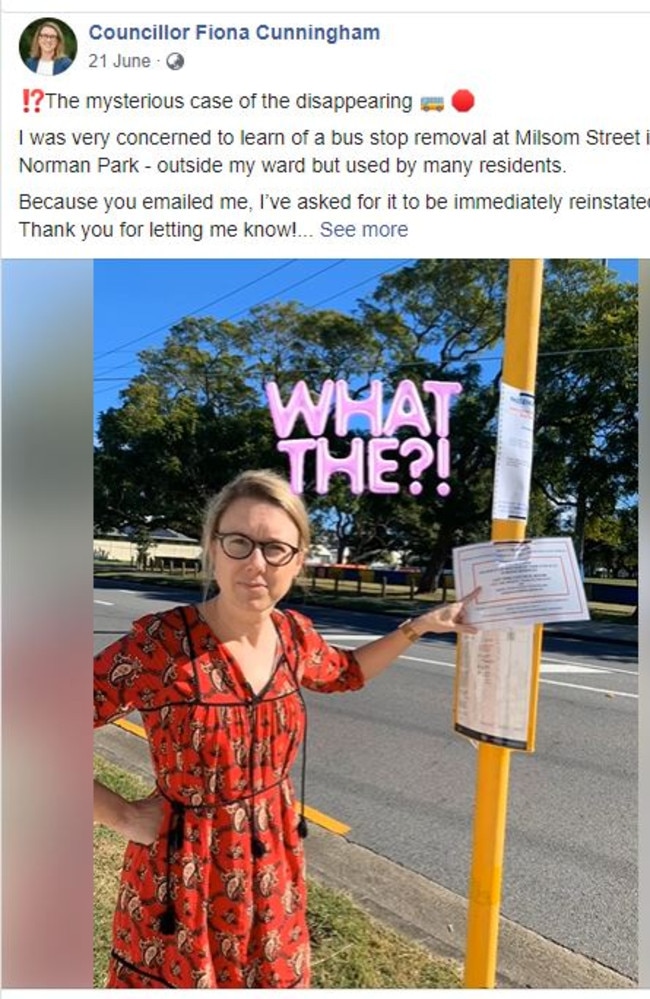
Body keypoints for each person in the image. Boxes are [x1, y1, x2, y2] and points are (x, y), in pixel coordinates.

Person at [93, 469, 479, 989]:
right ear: (213, 548)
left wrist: (418, 626)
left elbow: (347, 672)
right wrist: (120, 814)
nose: (256, 563)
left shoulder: (293, 635)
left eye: (276, 548)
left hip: (271, 858)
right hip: (183, 872)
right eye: (239, 543)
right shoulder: (160, 645)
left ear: (297, 561)